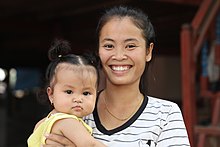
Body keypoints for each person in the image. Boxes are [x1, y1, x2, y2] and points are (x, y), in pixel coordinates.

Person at [43, 6, 190, 147]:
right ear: (98, 50)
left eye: (130, 46)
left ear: (148, 51)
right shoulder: (75, 109)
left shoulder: (165, 114)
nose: (119, 56)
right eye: (109, 46)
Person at [27, 39, 107, 147]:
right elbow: (91, 145)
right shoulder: (68, 122)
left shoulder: (41, 124)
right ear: (51, 94)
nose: (78, 99)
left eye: (86, 93)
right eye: (69, 92)